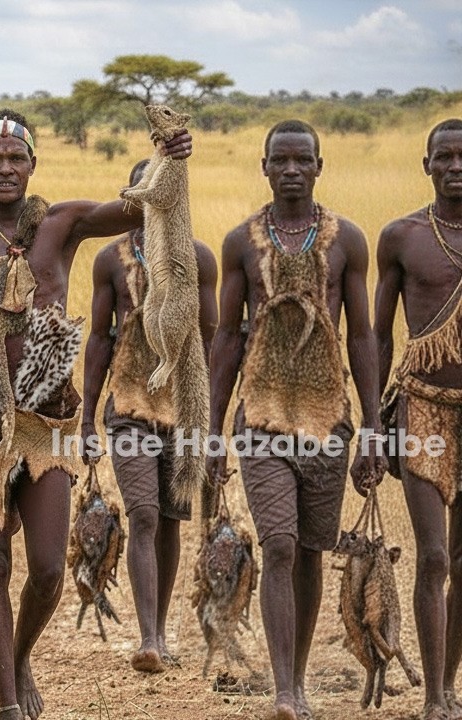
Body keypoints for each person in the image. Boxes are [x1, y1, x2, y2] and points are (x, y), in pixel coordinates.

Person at [0, 110, 191, 720]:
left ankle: (20, 652)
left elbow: (141, 210)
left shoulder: (62, 225)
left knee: (45, 573)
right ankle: (9, 703)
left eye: (16, 158)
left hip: (51, 423)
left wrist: (171, 158)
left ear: (33, 165)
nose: (5, 168)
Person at [206, 119, 383, 720]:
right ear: (263, 167)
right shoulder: (240, 243)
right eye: (279, 160)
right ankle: (285, 690)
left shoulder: (347, 241)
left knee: (311, 548)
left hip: (328, 419)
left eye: (301, 160)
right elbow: (227, 335)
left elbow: (362, 336)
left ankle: (298, 678)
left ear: (318, 166)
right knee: (278, 544)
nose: (290, 170)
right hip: (261, 416)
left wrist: (375, 428)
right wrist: (211, 430)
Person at [80, 159, 218, 673]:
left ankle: (157, 629)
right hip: (129, 404)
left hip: (182, 408)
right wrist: (86, 418)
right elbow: (98, 339)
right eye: (145, 192)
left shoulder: (198, 258)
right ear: (133, 197)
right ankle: (148, 638)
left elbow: (211, 341)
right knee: (143, 513)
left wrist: (212, 425)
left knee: (170, 523)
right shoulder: (111, 260)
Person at [372, 117, 462, 720]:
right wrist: (373, 430)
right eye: (444, 158)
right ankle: (433, 696)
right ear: (425, 165)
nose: (455, 167)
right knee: (432, 556)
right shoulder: (402, 237)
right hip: (422, 406)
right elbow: (377, 335)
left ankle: (448, 683)